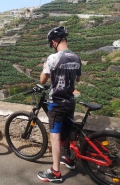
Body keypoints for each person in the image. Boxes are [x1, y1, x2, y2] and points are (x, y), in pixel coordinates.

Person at [37, 26, 82, 182]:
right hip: (70, 101)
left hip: (56, 103)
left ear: (54, 42)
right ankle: (69, 159)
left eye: (51, 43)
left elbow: (42, 81)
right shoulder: (76, 58)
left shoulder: (53, 58)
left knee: (55, 137)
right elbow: (78, 80)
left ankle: (55, 172)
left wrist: (44, 68)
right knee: (67, 133)